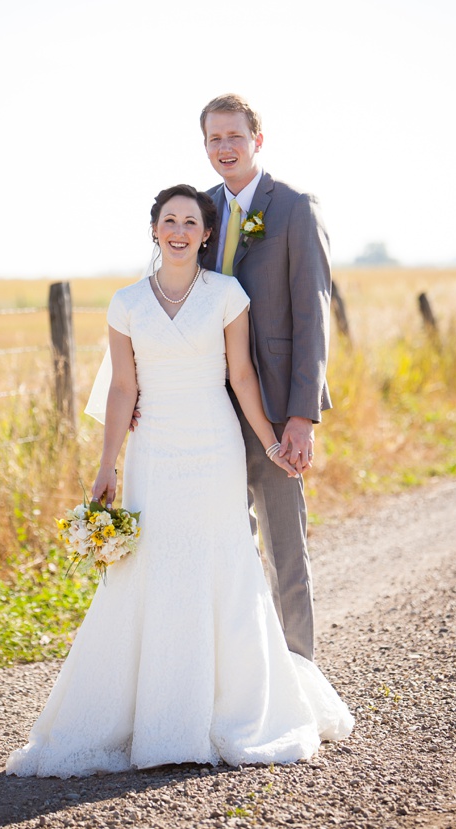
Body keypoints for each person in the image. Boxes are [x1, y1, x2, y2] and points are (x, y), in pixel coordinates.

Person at [4, 185, 351, 777]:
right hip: (154, 453)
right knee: (153, 567)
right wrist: (107, 462)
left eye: (192, 221)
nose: (181, 230)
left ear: (206, 234)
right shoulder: (126, 304)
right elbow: (121, 389)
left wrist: (270, 442)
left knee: (223, 565)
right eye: (170, 220)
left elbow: (241, 377)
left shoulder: (228, 295)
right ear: (154, 230)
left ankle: (231, 708)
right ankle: (154, 712)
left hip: (214, 448)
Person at [199, 93, 333, 661]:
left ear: (258, 140)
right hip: (206, 408)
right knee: (225, 549)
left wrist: (302, 415)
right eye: (214, 139)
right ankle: (240, 678)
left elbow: (313, 313)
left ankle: (300, 677)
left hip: (277, 407)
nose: (225, 148)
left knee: (284, 549)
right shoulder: (195, 211)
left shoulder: (295, 207)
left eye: (234, 136)